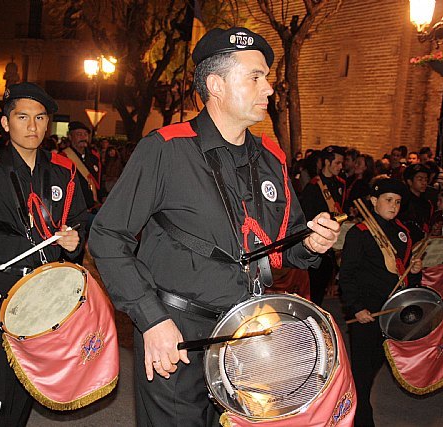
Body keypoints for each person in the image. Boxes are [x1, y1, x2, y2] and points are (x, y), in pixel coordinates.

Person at [89, 27, 341, 427]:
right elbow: (107, 236)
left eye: (267, 78)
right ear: (216, 85)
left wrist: (312, 241)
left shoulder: (272, 158)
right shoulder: (166, 149)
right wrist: (150, 319)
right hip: (177, 332)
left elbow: (287, 245)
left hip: (248, 333)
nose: (269, 89)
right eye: (255, 77)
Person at [0, 82, 88, 427]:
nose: (32, 126)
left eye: (40, 118)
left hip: (46, 289)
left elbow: (81, 220)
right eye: (22, 117)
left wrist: (76, 241)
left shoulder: (63, 170)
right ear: (6, 124)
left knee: (30, 380)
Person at [339, 178, 422, 427]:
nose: (394, 205)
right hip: (367, 312)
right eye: (388, 200)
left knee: (377, 364)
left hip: (392, 313)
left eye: (397, 201)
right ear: (374, 201)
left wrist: (415, 270)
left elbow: (406, 276)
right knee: (362, 374)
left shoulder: (404, 233)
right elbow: (347, 275)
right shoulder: (359, 233)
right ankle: (361, 418)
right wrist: (356, 307)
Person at [299, 144, 346, 306]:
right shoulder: (313, 186)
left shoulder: (340, 184)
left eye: (342, 163)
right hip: (318, 241)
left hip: (334, 240)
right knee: (315, 285)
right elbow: (306, 215)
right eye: (337, 163)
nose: (341, 167)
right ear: (327, 162)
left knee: (327, 278)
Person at [399, 163, 433, 242]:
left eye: (426, 180)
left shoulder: (426, 203)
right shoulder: (403, 202)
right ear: (410, 182)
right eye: (420, 179)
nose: (424, 183)